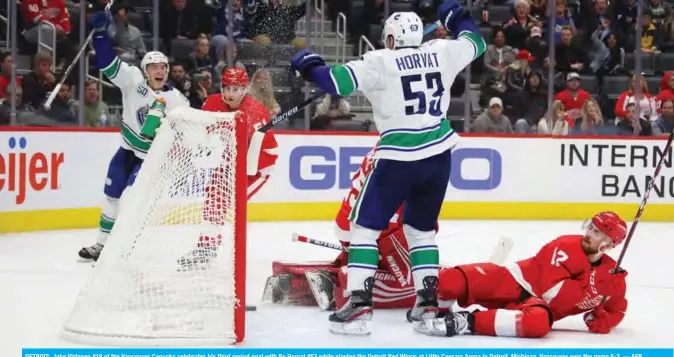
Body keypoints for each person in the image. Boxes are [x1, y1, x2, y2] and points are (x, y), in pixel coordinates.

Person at [290, 0, 485, 335]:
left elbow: (336, 82)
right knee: (422, 231)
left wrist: (307, 65)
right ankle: (426, 304)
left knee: (365, 229)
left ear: (391, 38)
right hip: (439, 155)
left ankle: (359, 305)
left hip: (398, 157)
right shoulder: (441, 50)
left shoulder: (379, 60)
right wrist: (460, 18)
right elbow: (476, 42)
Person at [262, 147, 436, 313]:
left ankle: (291, 283)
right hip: (378, 227)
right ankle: (335, 285)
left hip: (350, 222)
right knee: (417, 285)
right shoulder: (413, 153)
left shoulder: (386, 144)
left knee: (370, 263)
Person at [77, 11, 190, 262]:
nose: (158, 71)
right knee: (111, 197)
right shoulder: (132, 80)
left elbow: (190, 132)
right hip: (127, 152)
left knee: (129, 201)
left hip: (150, 160)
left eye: (163, 67)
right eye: (153, 67)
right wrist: (100, 36)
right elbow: (107, 64)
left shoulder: (176, 101)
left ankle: (125, 247)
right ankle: (101, 245)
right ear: (145, 70)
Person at [414, 211, 628, 339]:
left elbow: (615, 310)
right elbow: (551, 293)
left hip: (534, 307)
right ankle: (436, 302)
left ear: (608, 244)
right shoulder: (566, 245)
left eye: (597, 233)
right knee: (450, 282)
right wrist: (591, 287)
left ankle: (465, 321)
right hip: (515, 279)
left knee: (539, 324)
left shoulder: (612, 278)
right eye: (590, 228)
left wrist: (599, 318)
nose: (588, 234)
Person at [175, 67, 278, 270]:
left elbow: (255, 158)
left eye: (236, 89)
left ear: (245, 89)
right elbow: (202, 130)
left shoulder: (255, 111)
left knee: (232, 202)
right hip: (230, 161)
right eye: (227, 88)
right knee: (214, 197)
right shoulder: (213, 102)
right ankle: (206, 249)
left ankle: (234, 259)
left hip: (259, 165)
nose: (230, 94)